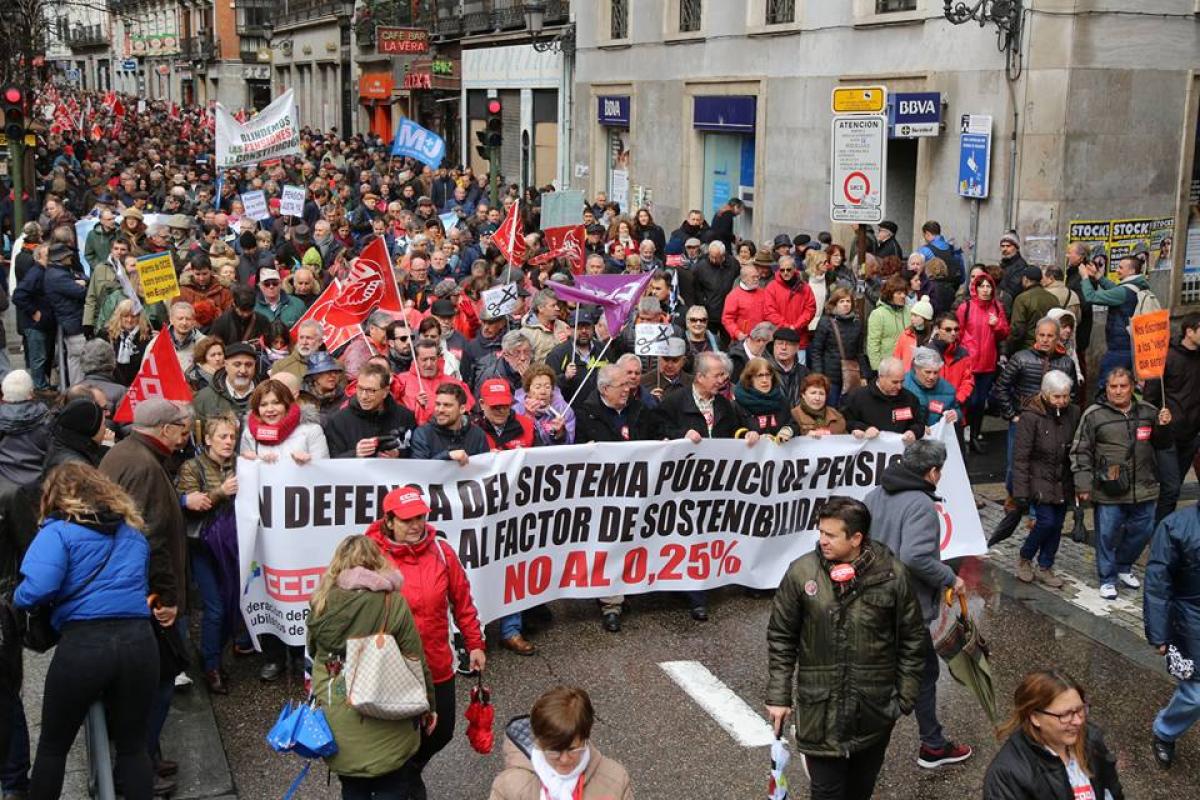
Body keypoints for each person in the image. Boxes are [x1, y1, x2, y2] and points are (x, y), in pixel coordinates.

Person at [15, 463, 172, 800]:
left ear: (56, 496)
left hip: (85, 646)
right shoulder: (132, 532)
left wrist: (17, 596)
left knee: (53, 747)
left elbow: (37, 589)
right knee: (133, 747)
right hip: (138, 643)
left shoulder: (57, 533)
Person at [765, 496, 925, 800]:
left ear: (856, 538)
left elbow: (913, 639)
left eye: (831, 534)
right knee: (826, 793)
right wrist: (778, 695)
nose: (822, 540)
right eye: (820, 532)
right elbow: (781, 637)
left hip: (874, 711)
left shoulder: (893, 575)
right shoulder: (801, 573)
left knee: (859, 792)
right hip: (819, 712)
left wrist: (904, 698)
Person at [364, 487, 486, 798]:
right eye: (407, 520)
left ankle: (407, 774)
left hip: (436, 662)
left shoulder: (442, 552)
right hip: (393, 668)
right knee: (398, 736)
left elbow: (462, 601)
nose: (416, 525)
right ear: (389, 521)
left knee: (442, 732)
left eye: (420, 517)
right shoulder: (371, 557)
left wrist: (475, 643)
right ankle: (403, 784)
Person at [864, 439, 973, 769]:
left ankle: (930, 742)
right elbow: (915, 556)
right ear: (933, 472)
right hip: (906, 607)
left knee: (890, 675)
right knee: (920, 676)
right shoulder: (921, 505)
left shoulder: (874, 495)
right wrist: (950, 578)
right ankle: (931, 746)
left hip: (874, 600)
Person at [98, 398, 189, 782]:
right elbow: (150, 538)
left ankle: (141, 756)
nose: (184, 436)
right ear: (165, 429)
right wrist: (166, 597)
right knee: (160, 682)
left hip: (129, 589)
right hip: (147, 596)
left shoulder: (124, 452)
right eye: (181, 428)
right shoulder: (145, 467)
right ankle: (137, 765)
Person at [307, 535, 435, 800]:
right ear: (377, 563)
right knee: (393, 787)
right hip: (388, 709)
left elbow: (313, 650)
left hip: (340, 710)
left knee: (352, 789)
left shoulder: (321, 602)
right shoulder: (391, 602)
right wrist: (429, 705)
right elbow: (415, 659)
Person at [660, 352, 761, 622]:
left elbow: (743, 425)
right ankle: (697, 596)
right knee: (691, 538)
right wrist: (680, 435)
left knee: (712, 537)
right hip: (684, 485)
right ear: (700, 376)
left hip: (718, 485)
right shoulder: (674, 401)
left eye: (724, 375)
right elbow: (655, 430)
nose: (723, 380)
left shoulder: (725, 404)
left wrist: (750, 432)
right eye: (718, 375)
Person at [1070, 368, 1170, 599]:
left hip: (1143, 486)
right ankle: (1107, 578)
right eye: (1113, 386)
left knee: (1143, 530)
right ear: (1106, 388)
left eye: (1123, 386)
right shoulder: (1094, 414)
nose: (1118, 391)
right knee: (1106, 534)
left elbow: (1163, 444)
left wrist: (1164, 426)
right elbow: (1080, 450)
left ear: (1132, 387)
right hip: (1109, 487)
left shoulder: (1148, 411)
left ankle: (1124, 565)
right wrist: (1083, 483)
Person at [983, 671, 1123, 800]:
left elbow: (1112, 791)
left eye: (1080, 709)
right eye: (1065, 715)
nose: (1078, 721)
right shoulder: (1007, 775)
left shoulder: (1091, 740)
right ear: (1035, 717)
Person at [176, 414, 241, 695]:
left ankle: (212, 653)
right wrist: (221, 492)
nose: (229, 442)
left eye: (232, 437)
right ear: (208, 440)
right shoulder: (192, 466)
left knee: (232, 604)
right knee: (214, 608)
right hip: (203, 546)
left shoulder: (241, 463)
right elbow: (194, 504)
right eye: (223, 436)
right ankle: (211, 666)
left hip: (234, 545)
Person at [489, 685, 632, 800]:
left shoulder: (615, 779)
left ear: (585, 738)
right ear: (539, 742)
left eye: (572, 750)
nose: (564, 760)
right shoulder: (510, 786)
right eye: (554, 751)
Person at [1011, 371, 1081, 588]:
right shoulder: (1031, 417)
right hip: (1038, 479)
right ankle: (1025, 556)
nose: (1062, 401)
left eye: (1065, 396)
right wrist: (1020, 491)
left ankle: (1045, 565)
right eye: (1057, 397)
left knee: (1057, 525)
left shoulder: (1073, 413)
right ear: (1045, 394)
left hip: (1062, 478)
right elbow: (1021, 456)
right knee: (1046, 522)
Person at [993, 318, 1077, 497]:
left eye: (1050, 336)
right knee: (1015, 464)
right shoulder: (1021, 358)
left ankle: (1039, 502)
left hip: (1053, 421)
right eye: (1042, 335)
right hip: (1023, 419)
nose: (1045, 340)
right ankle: (1014, 497)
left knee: (1048, 464)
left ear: (1057, 338)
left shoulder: (1066, 363)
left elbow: (1073, 393)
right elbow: (1001, 387)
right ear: (1036, 336)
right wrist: (1012, 414)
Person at [1145, 502, 1200, 769]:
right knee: (1196, 693)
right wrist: (1159, 632)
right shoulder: (1175, 526)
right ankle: (1165, 731)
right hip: (1191, 619)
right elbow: (1158, 581)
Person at [1144, 312, 1200, 523]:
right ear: (1189, 332)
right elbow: (1150, 398)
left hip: (1191, 435)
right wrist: (1156, 420)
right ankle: (1159, 531)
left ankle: (1162, 527)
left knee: (1173, 489)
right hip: (1167, 434)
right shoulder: (1166, 357)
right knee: (1171, 488)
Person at [1079, 254, 1157, 386]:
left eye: (1121, 268)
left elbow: (1091, 296)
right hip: (1131, 344)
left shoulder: (1124, 292)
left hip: (1120, 348)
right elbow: (1116, 289)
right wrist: (1097, 276)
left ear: (1131, 271)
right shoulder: (1139, 285)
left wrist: (1085, 277)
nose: (1117, 270)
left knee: (1107, 384)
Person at [957, 271, 1010, 451]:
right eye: (982, 286)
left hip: (987, 363)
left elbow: (1005, 333)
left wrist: (997, 325)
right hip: (969, 362)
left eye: (989, 286)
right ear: (976, 288)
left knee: (980, 403)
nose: (986, 290)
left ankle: (974, 435)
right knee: (970, 401)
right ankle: (965, 430)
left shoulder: (997, 307)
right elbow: (958, 332)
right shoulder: (966, 307)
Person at [326, 362, 418, 459]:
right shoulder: (337, 421)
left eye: (371, 391)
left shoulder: (405, 417)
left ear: (385, 391)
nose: (363, 396)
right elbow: (332, 462)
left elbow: (416, 455)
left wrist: (398, 454)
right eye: (360, 388)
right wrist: (355, 454)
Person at [240, 379, 329, 465]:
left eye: (276, 403)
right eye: (263, 405)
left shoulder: (311, 430)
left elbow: (324, 469)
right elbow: (246, 473)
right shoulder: (249, 434)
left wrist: (307, 463)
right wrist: (256, 462)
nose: (270, 409)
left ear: (287, 405)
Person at [808, 288, 867, 407]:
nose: (845, 304)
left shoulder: (857, 323)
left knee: (849, 409)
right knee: (831, 409)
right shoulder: (826, 322)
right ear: (834, 304)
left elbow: (859, 352)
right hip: (830, 376)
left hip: (851, 375)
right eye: (841, 301)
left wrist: (863, 375)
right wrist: (819, 375)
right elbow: (816, 351)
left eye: (848, 301)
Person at [842, 357, 924, 443]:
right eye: (895, 382)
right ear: (881, 377)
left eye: (902, 381)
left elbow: (919, 423)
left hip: (900, 448)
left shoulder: (910, 398)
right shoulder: (859, 397)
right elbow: (846, 421)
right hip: (869, 448)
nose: (899, 387)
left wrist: (913, 432)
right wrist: (864, 428)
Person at [410, 383, 491, 462]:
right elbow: (419, 469)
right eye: (438, 404)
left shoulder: (477, 434)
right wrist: (447, 456)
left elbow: (485, 467)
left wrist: (492, 458)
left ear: (462, 409)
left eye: (447, 405)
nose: (440, 410)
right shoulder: (423, 434)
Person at [0, 371, 52, 487]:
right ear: (31, 393)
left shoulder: (45, 418)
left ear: (4, 395)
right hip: (40, 483)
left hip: (5, 485)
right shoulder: (47, 419)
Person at [762, 255, 816, 360]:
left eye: (788, 269)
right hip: (779, 337)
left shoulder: (805, 287)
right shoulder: (771, 287)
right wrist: (787, 327)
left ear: (794, 269)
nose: (785, 272)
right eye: (782, 270)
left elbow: (810, 309)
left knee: (800, 367)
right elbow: (769, 311)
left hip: (799, 337)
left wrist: (796, 326)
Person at [191, 341, 258, 421]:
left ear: (255, 366)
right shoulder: (204, 399)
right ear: (226, 365)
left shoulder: (265, 395)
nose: (243, 370)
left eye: (248, 365)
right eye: (237, 364)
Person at [732, 358, 794, 441]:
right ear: (750, 379)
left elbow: (793, 423)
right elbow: (731, 431)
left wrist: (788, 430)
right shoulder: (737, 406)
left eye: (768, 375)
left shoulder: (782, 401)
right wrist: (746, 434)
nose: (765, 380)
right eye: (760, 375)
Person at [514, 365, 575, 446]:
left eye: (547, 387)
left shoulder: (563, 410)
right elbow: (514, 442)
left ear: (552, 390)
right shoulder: (516, 411)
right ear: (528, 391)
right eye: (537, 387)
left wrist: (558, 433)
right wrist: (527, 418)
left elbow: (569, 445)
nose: (543, 392)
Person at [903, 347, 960, 428]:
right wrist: (916, 427)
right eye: (928, 372)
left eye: (935, 372)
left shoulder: (948, 389)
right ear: (916, 369)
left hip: (936, 434)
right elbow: (894, 414)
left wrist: (956, 414)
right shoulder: (902, 385)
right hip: (910, 433)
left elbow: (956, 409)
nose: (932, 377)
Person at [866, 274, 910, 372]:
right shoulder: (878, 314)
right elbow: (873, 344)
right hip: (887, 367)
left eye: (904, 293)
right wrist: (877, 368)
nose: (903, 296)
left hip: (907, 364)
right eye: (899, 293)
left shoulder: (908, 311)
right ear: (890, 295)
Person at [790, 373, 848, 437]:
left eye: (821, 394)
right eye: (813, 393)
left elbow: (845, 439)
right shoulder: (793, 416)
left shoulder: (837, 416)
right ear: (803, 395)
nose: (817, 398)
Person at [721, 262, 767, 342]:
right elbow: (727, 319)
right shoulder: (733, 296)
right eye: (753, 277)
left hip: (761, 339)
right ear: (744, 278)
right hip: (742, 340)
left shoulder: (763, 293)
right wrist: (737, 333)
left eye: (757, 276)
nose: (757, 279)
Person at [892, 295, 935, 368]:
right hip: (907, 372)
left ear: (925, 318)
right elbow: (896, 356)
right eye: (912, 315)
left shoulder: (933, 336)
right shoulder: (906, 334)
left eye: (916, 316)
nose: (912, 318)